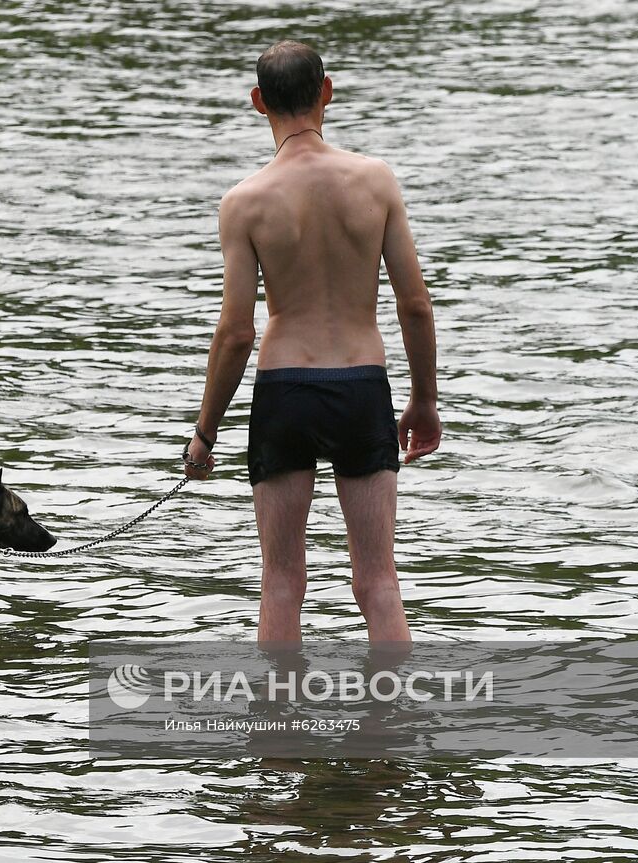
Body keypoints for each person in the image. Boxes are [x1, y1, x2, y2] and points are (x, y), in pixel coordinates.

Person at [183, 40, 441, 645]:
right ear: (327, 91)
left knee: (280, 582)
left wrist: (204, 432)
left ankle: (277, 735)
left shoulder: (244, 203)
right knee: (378, 580)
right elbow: (416, 306)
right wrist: (424, 399)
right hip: (360, 385)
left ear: (257, 103)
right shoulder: (376, 182)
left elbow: (236, 333)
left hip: (285, 389)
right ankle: (391, 729)